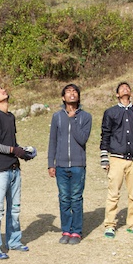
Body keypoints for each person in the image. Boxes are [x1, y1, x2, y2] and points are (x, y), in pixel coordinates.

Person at [0, 84, 33, 259]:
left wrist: (23, 152)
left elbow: (11, 142)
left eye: (2, 88)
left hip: (14, 169)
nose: (3, 90)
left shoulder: (10, 117)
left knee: (15, 209)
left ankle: (14, 241)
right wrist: (13, 150)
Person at [100, 81, 133, 238]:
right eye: (121, 88)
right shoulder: (110, 112)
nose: (125, 89)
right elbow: (105, 134)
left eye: (127, 87)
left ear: (131, 93)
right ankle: (110, 225)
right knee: (113, 193)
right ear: (117, 94)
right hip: (116, 159)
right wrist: (104, 158)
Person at [47, 84, 92, 245]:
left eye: (74, 91)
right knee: (64, 198)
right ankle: (66, 230)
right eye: (68, 91)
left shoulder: (86, 117)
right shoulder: (57, 116)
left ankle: (77, 232)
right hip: (60, 165)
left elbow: (82, 139)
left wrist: (73, 120)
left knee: (76, 198)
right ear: (63, 97)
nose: (72, 94)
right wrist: (51, 163)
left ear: (78, 96)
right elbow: (52, 141)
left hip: (78, 165)